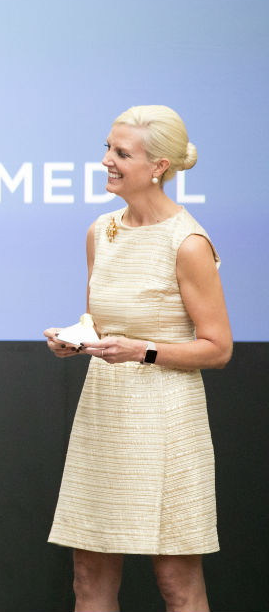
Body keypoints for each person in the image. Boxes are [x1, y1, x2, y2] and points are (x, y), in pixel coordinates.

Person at [44, 105, 232, 612]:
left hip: (166, 421)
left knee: (176, 581)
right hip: (104, 415)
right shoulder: (100, 231)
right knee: (89, 575)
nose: (107, 160)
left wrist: (141, 351)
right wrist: (73, 338)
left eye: (121, 153)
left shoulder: (187, 241)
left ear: (159, 167)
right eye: (106, 148)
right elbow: (98, 321)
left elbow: (218, 348)